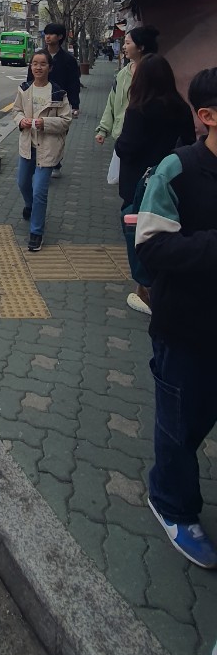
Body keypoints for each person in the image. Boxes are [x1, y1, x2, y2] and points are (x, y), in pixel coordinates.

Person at [135, 67, 217, 570]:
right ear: (207, 115)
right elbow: (151, 246)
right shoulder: (178, 169)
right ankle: (172, 504)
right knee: (179, 427)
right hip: (185, 328)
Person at [116, 54, 196, 314]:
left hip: (140, 181)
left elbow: (127, 147)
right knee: (165, 230)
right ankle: (161, 282)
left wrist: (118, 144)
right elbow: (188, 142)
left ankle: (146, 289)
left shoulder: (138, 109)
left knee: (135, 228)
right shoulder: (181, 108)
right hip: (172, 179)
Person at [13, 49, 72, 252]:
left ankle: (36, 232)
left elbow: (66, 120)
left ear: (50, 68)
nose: (38, 67)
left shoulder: (58, 93)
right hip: (27, 146)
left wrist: (44, 123)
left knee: (39, 191)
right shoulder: (24, 89)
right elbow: (16, 111)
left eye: (43, 64)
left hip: (47, 149)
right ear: (30, 67)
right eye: (35, 63)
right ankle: (29, 206)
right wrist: (21, 120)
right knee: (22, 182)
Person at [95, 25, 159, 149]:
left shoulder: (155, 73)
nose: (124, 47)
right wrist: (103, 129)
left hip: (148, 140)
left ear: (141, 47)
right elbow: (112, 102)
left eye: (128, 43)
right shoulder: (123, 73)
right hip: (122, 137)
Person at [28, 23, 79, 177]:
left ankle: (55, 163)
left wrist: (75, 105)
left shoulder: (68, 60)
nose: (47, 37)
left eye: (51, 34)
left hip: (59, 102)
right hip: (39, 101)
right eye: (46, 33)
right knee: (38, 132)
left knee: (56, 134)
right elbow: (29, 80)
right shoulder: (39, 57)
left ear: (60, 37)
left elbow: (74, 83)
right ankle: (40, 163)